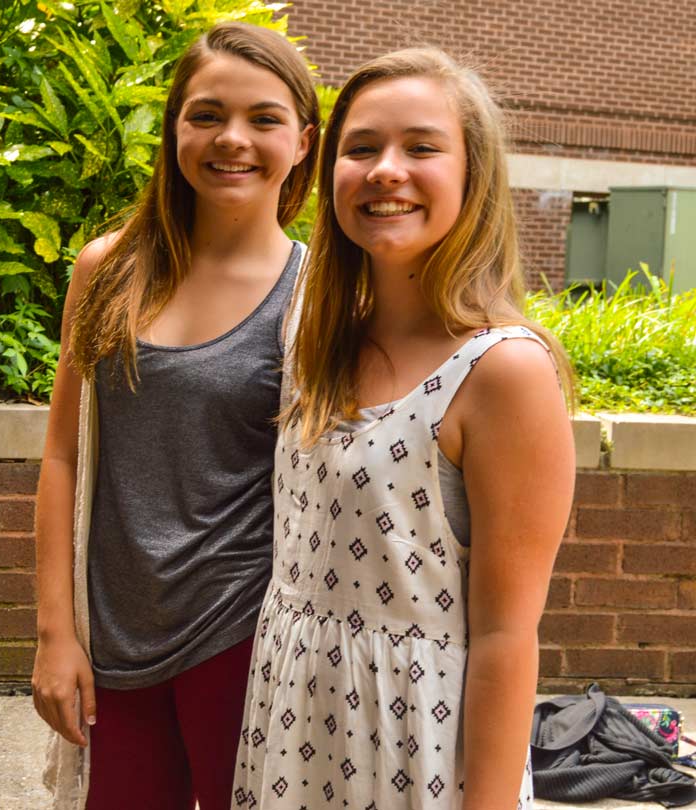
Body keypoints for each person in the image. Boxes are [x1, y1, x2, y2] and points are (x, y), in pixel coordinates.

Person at [231, 48, 575, 809]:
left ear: (471, 175)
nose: (386, 169)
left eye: (421, 147)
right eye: (361, 148)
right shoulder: (312, 336)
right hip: (291, 716)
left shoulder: (504, 372)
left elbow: (506, 639)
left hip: (416, 742)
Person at [33, 22, 318, 810]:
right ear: (173, 129)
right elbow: (63, 458)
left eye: (264, 119)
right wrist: (56, 635)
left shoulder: (320, 295)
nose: (233, 139)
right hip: (113, 641)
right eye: (206, 114)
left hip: (245, 640)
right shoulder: (107, 268)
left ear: (303, 141)